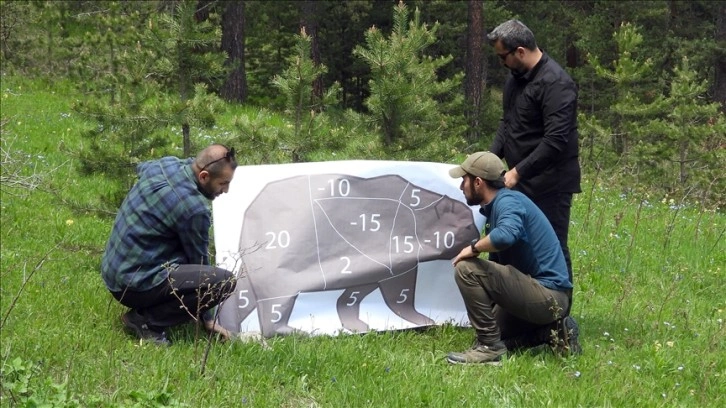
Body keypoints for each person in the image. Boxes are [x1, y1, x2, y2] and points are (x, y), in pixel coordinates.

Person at [446, 152, 581, 364]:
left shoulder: (508, 202)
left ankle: (489, 348)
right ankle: (553, 333)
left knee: (466, 269)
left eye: (464, 180)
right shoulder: (498, 205)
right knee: (498, 335)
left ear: (478, 182)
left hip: (548, 295)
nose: (461, 186)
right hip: (538, 295)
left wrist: (473, 248)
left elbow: (507, 235)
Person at [101, 144, 238, 346]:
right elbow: (201, 263)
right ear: (204, 177)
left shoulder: (164, 164)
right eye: (223, 183)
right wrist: (208, 318)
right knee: (222, 283)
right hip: (132, 286)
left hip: (114, 271)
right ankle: (146, 322)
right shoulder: (193, 209)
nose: (226, 190)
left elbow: (142, 167)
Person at [486, 20, 581, 305]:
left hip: (550, 184)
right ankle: (498, 311)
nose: (501, 62)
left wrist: (517, 172)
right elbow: (507, 124)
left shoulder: (557, 83)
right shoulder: (514, 78)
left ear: (521, 51)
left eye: (503, 56)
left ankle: (560, 318)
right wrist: (489, 161)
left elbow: (556, 141)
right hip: (517, 180)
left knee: (551, 247)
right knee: (503, 241)